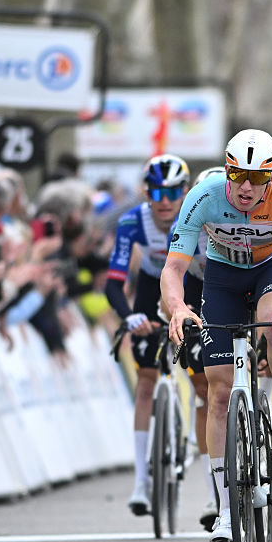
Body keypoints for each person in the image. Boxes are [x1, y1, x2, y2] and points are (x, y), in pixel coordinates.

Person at [161, 129, 272, 542]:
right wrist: (177, 308)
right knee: (219, 392)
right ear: (226, 170)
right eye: (238, 175)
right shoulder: (203, 195)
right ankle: (226, 510)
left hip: (271, 270)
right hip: (223, 277)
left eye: (258, 179)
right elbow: (173, 270)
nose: (246, 187)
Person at [105, 154, 191, 516]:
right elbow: (113, 284)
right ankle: (141, 480)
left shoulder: (194, 218)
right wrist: (130, 317)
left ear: (184, 192)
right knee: (145, 380)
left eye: (172, 192)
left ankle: (190, 437)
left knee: (203, 377)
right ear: (146, 192)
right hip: (150, 284)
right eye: (156, 191)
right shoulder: (132, 222)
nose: (164, 200)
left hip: (190, 286)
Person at [168, 166, 224, 531]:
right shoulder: (190, 219)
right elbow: (174, 277)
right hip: (197, 296)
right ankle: (214, 490)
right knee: (206, 392)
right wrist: (179, 318)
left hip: (243, 291)